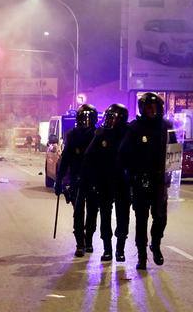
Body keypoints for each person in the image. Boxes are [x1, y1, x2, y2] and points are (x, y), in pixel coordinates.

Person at [118, 92, 176, 270]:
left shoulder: (167, 127)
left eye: (155, 107)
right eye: (148, 107)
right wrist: (130, 173)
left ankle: (156, 244)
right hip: (141, 180)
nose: (152, 110)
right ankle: (141, 256)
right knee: (141, 220)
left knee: (160, 218)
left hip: (160, 181)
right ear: (142, 109)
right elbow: (123, 153)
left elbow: (174, 152)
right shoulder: (134, 128)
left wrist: (171, 174)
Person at [81, 104, 130, 262]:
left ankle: (120, 250)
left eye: (112, 118)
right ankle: (107, 249)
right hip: (105, 181)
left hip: (123, 182)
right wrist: (93, 180)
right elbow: (89, 156)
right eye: (107, 117)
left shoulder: (129, 133)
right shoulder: (101, 133)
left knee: (123, 217)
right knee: (105, 216)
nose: (109, 121)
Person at [54, 104, 98, 257]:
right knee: (78, 212)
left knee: (92, 212)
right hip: (76, 179)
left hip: (93, 179)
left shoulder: (98, 135)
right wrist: (59, 180)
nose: (85, 121)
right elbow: (65, 159)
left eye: (88, 118)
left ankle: (89, 239)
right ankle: (80, 243)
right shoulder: (72, 135)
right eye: (83, 118)